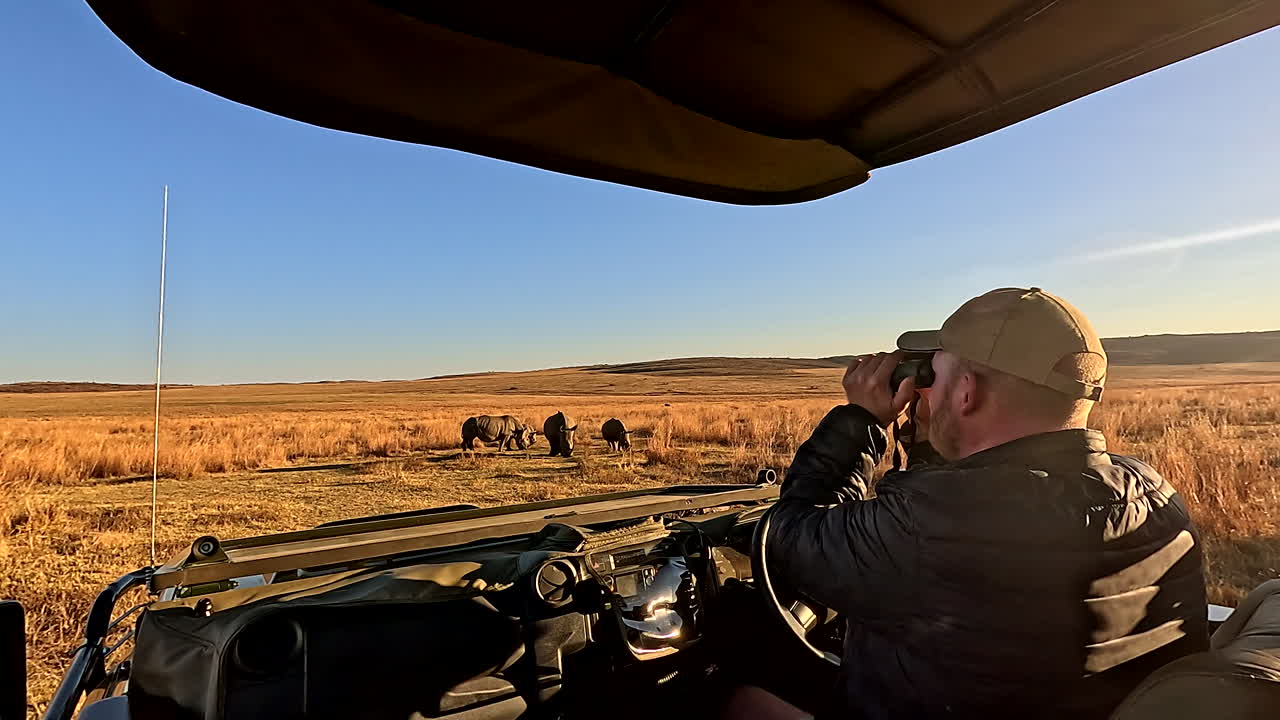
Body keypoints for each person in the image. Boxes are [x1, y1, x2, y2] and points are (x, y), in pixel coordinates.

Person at [747, 288, 1209, 719]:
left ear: (967, 391)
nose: (923, 386)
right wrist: (936, 436)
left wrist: (860, 420)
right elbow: (967, 511)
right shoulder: (1152, 491)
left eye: (935, 372)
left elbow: (789, 538)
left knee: (735, 691)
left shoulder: (932, 522)